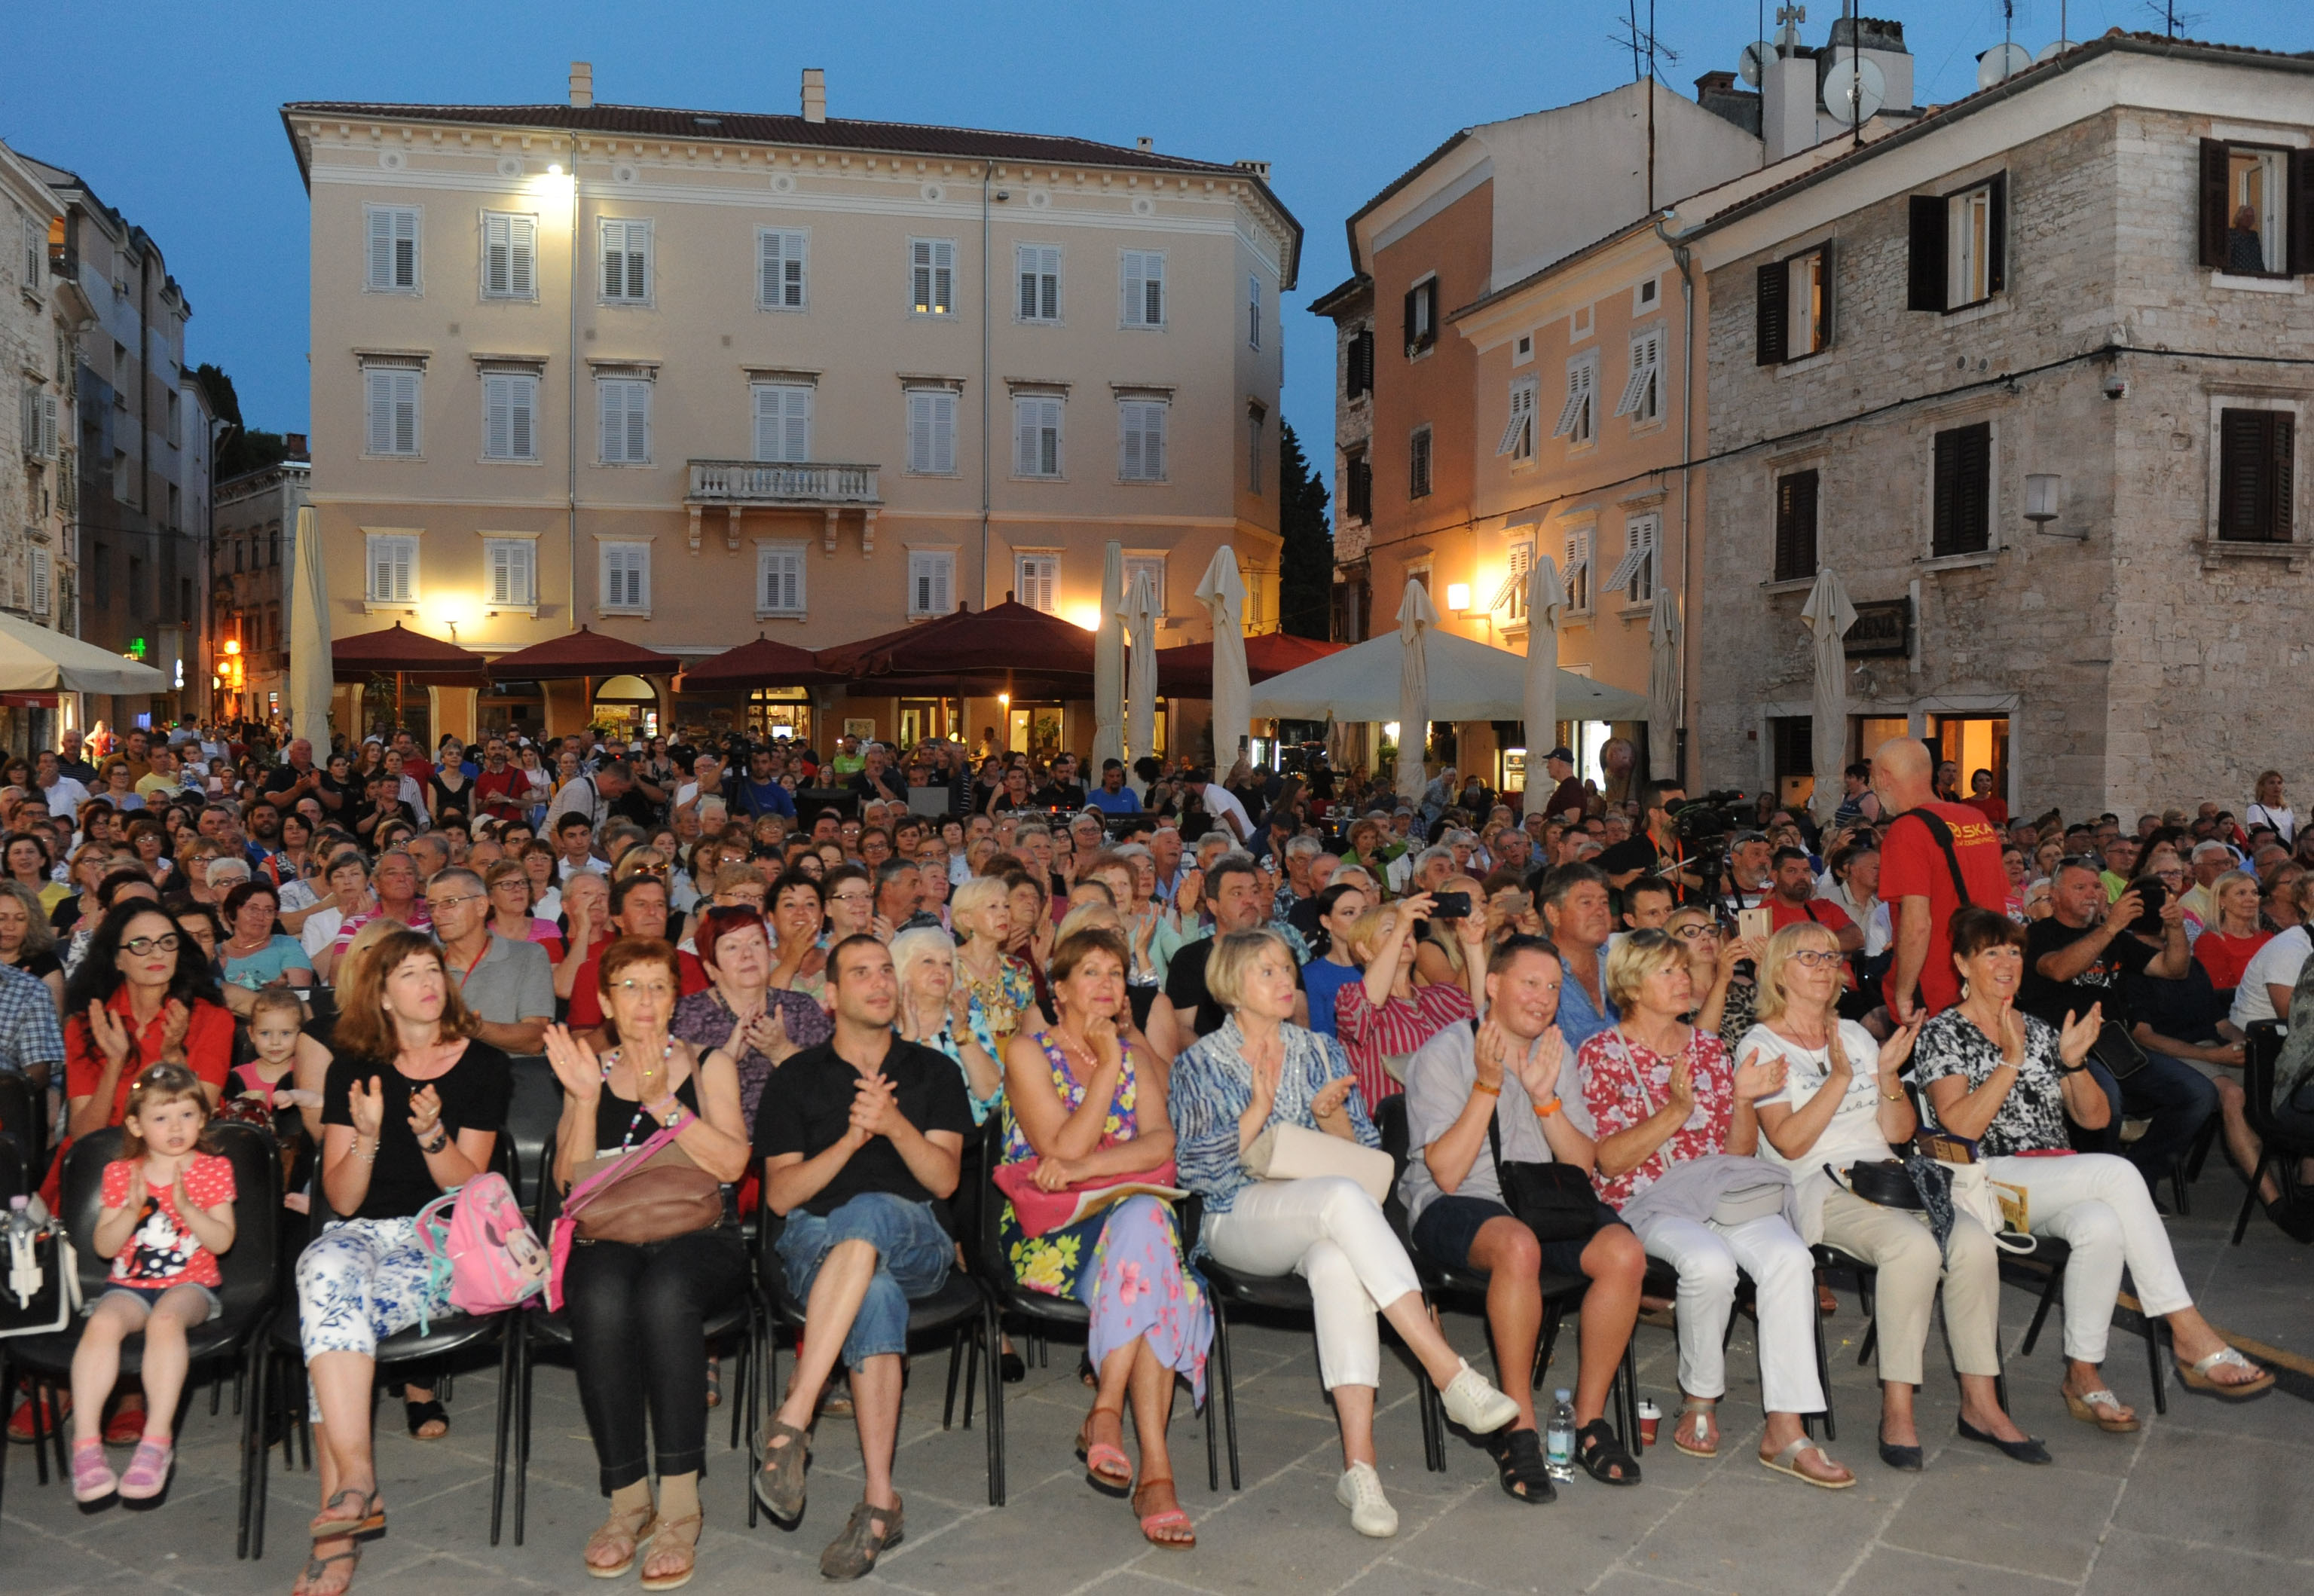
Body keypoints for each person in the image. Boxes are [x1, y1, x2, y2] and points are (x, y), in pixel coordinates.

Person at [1169, 928, 1518, 1536]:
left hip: (1321, 1216)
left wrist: (1331, 1120)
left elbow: (1364, 1160)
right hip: (1234, 1217)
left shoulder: (1322, 1051)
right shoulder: (1199, 1062)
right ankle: (1446, 1370)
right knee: (1338, 1200)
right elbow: (1195, 1172)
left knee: (1337, 1263)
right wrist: (1256, 1112)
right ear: (1231, 987)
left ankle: (1361, 1471)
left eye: (1286, 969)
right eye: (1267, 973)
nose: (1285, 982)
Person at [1914, 910, 2273, 1429]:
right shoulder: (1942, 1033)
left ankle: (2082, 1374)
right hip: (1983, 1182)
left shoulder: (2037, 1030)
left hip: (2049, 1178)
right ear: (1961, 965)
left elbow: (2094, 1118)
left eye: (2014, 952)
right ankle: (2187, 1330)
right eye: (1991, 953)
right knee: (2116, 1174)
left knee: (2101, 1225)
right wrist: (2008, 1062)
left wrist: (2074, 1064)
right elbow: (1960, 1130)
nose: (2007, 963)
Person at [1744, 924, 2041, 1470]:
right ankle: (1896, 1408)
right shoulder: (1761, 1043)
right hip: (1814, 1181)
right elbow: (1787, 1143)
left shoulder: (1854, 1034)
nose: (1822, 964)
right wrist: (1838, 1079)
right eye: (1806, 955)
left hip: (1884, 1174)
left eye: (1829, 956)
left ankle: (1980, 1404)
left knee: (1974, 1243)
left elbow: (1899, 1130)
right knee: (1915, 1249)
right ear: (1778, 971)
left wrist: (1886, 1079)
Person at [1575, 929, 1850, 1487]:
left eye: (1685, 970)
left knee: (1790, 1259)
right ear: (1632, 983)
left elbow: (1739, 1151)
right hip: (1648, 1199)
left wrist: (1742, 1100)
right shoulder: (1601, 1054)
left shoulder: (1706, 1049)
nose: (1685, 980)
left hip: (1720, 1190)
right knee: (1708, 1263)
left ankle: (1786, 1429)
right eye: (1669, 972)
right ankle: (1700, 1397)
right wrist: (1675, 1112)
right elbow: (1608, 1161)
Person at [295, 929, 514, 1596]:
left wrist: (430, 1135)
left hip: (445, 1235)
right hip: (364, 1231)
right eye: (410, 973)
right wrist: (364, 1137)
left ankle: (340, 1529)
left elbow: (470, 1187)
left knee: (332, 1318)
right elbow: (339, 1198)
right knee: (322, 1270)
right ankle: (358, 1481)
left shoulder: (481, 1065)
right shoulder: (350, 1069)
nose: (428, 982)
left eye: (434, 970)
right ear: (382, 995)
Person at [750, 935, 975, 1581]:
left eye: (885, 972)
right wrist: (850, 1140)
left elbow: (943, 1183)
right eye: (860, 973)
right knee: (871, 1287)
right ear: (830, 996)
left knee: (871, 1212)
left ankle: (794, 1416)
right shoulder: (796, 1078)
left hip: (919, 1242)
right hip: (813, 1246)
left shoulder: (933, 1072)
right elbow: (784, 1195)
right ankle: (881, 1502)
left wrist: (894, 1124)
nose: (879, 983)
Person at [1399, 938, 1647, 1500]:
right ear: (1493, 985)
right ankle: (1519, 1428)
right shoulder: (1446, 1050)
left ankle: (1587, 1422)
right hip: (1458, 1202)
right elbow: (1445, 1172)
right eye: (1529, 984)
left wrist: (1544, 1099)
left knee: (1623, 1252)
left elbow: (1582, 1164)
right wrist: (1487, 1083)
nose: (1543, 998)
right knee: (1517, 1247)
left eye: (1553, 987)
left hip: (1542, 1198)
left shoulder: (1556, 1052)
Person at [540, 941, 752, 1590]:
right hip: (611, 1233)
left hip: (698, 1230)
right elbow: (567, 1183)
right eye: (629, 987)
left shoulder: (709, 1063)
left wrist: (666, 1104)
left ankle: (680, 1503)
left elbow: (733, 1165)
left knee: (666, 1295)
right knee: (600, 1297)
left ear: (675, 998)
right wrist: (580, 1100)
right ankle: (627, 1500)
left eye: (658, 986)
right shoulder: (588, 1069)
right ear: (605, 1002)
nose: (645, 1000)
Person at [998, 926, 1209, 1546]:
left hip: (1127, 1230)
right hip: (1054, 1237)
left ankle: (1107, 1412)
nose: (1106, 984)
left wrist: (1090, 1169)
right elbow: (1058, 1145)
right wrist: (1108, 1065)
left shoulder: (1139, 1057)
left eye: (1115, 974)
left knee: (1144, 1229)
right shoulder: (1028, 1052)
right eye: (1089, 972)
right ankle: (1157, 1477)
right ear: (1057, 990)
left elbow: (1161, 1143)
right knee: (1154, 1261)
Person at [66, 1061, 238, 1506]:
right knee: (102, 1323)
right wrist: (130, 1210)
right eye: (161, 1118)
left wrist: (188, 1207)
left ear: (202, 1119)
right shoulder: (122, 1173)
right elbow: (105, 1247)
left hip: (192, 1285)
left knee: (165, 1321)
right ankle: (86, 1446)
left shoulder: (213, 1169)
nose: (175, 1127)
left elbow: (221, 1242)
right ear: (136, 1125)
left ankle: (156, 1441)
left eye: (186, 1115)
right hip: (129, 1286)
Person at [1874, 738, 2007, 1023]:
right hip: (1988, 981)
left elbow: (1918, 925)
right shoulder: (1978, 820)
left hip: (1936, 993)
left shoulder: (1907, 829)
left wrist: (1903, 993)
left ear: (1884, 777)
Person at [676, 903, 830, 1127]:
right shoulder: (685, 1016)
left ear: (768, 954)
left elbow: (836, 1090)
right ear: (710, 968)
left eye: (756, 943)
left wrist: (783, 1052)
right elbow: (671, 1104)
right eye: (732, 947)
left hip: (801, 1144)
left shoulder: (801, 1008)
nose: (747, 954)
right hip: (719, 1149)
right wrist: (725, 1060)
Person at [1331, 894, 1479, 1110]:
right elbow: (1364, 1008)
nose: (1406, 933)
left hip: (1458, 1119)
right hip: (1396, 1134)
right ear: (1364, 950)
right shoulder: (1349, 998)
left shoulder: (1444, 995)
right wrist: (1400, 928)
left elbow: (1484, 1025)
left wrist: (1473, 947)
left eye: (1409, 931)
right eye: (1390, 929)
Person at [1149, 856, 1299, 1059]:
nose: (1250, 900)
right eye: (1237, 893)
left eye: (1254, 891)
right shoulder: (1190, 959)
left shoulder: (1282, 955)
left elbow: (1299, 1017)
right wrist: (1227, 1064)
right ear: (1213, 905)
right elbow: (1182, 1029)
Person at [890, 926, 1003, 1125]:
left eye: (947, 964)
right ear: (902, 969)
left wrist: (961, 1032)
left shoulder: (968, 1019)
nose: (941, 970)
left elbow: (992, 1095)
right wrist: (908, 1036)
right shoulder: (883, 1025)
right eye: (928, 961)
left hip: (967, 1141)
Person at [1301, 879, 1370, 1041]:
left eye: (1365, 912)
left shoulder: (1383, 964)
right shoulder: (1312, 975)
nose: (1360, 919)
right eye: (1349, 913)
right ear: (1327, 921)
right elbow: (1322, 1039)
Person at [219, 879, 314, 993]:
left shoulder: (286, 945)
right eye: (253, 909)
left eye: (269, 911)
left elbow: (299, 994)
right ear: (231, 915)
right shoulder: (214, 952)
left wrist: (279, 992)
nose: (260, 917)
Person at [2245, 769, 2294, 845]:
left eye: (2279, 783)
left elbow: (2294, 837)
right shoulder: (2256, 809)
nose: (2277, 786)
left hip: (2288, 853)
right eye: (2272, 783)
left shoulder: (2286, 810)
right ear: (2262, 787)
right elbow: (2260, 836)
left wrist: (2293, 854)